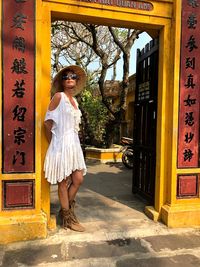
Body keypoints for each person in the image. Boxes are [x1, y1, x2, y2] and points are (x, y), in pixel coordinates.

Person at [43, 65, 87, 232]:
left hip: (74, 145)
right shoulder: (58, 97)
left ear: (76, 81)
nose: (69, 78)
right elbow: (48, 123)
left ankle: (65, 211)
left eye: (73, 76)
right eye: (65, 76)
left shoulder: (74, 101)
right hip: (61, 144)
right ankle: (68, 219)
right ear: (61, 82)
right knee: (63, 182)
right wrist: (54, 142)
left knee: (78, 179)